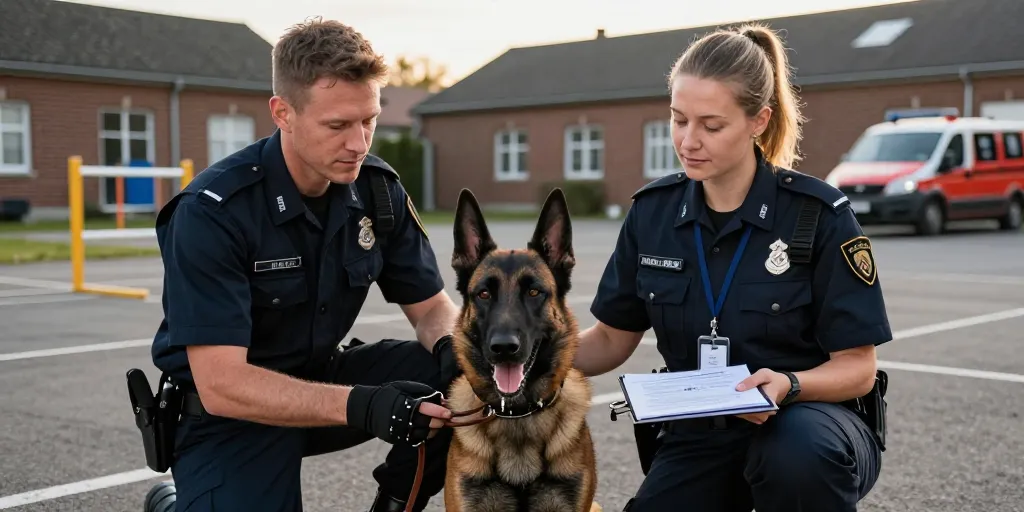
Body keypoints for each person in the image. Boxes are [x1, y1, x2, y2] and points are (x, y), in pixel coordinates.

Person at [142, 18, 462, 512]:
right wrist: (365, 404)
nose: (359, 143)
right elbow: (223, 383)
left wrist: (454, 349)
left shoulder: (376, 189)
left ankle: (397, 503)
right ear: (283, 113)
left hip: (321, 379)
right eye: (337, 125)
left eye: (369, 120)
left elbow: (432, 307)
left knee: (463, 372)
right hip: (227, 415)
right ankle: (172, 504)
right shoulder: (213, 212)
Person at [575, 23, 891, 512]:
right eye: (678, 121)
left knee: (796, 457)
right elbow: (611, 340)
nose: (688, 140)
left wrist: (790, 385)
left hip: (810, 425)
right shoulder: (653, 214)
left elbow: (859, 369)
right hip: (702, 434)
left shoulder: (818, 215)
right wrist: (519, 355)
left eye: (711, 125)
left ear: (758, 120)